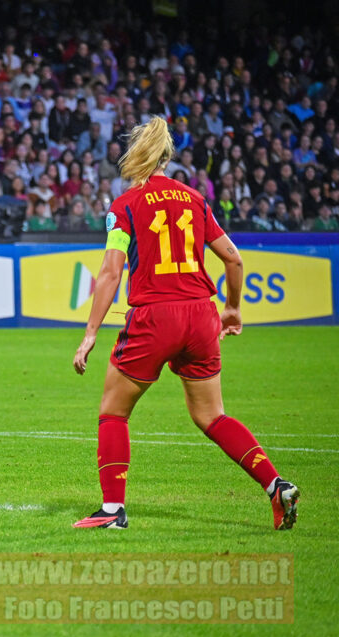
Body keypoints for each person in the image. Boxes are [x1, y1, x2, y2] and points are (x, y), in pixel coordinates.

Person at [72, 117, 299, 530]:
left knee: (113, 412)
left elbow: (110, 273)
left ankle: (111, 511)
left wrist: (89, 335)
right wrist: (232, 309)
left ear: (136, 155)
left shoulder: (124, 205)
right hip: (200, 315)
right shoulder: (195, 198)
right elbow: (234, 258)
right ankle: (275, 485)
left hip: (154, 316)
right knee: (212, 416)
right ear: (167, 157)